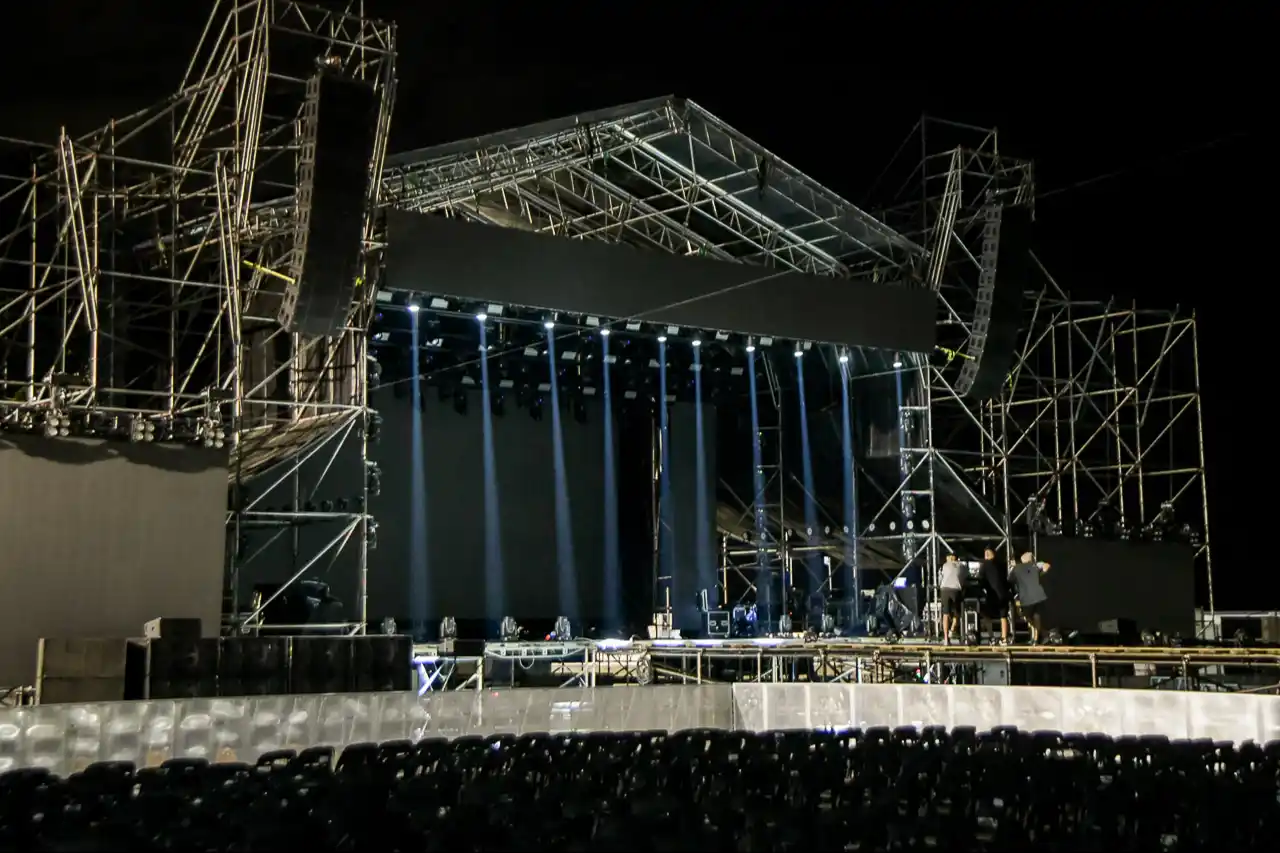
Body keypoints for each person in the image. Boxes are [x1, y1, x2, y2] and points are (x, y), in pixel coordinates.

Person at [1009, 551, 1051, 644]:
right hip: (1035, 596)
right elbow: (1047, 566)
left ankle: (1036, 638)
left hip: (1028, 597)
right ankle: (1038, 636)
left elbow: (1010, 579)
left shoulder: (1032, 566)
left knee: (1029, 616)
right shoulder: (1031, 567)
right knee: (1034, 617)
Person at [979, 547, 1012, 645]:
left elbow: (981, 580)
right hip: (1003, 593)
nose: (986, 555)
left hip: (992, 593)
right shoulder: (1002, 564)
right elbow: (1007, 579)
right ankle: (1004, 638)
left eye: (987, 553)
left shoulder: (984, 565)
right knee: (1003, 616)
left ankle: (991, 636)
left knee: (985, 614)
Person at [939, 553, 965, 645]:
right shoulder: (961, 566)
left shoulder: (945, 565)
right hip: (956, 590)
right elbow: (964, 579)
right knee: (957, 612)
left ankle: (946, 639)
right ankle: (952, 629)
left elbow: (940, 578)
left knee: (945, 614)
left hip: (945, 589)